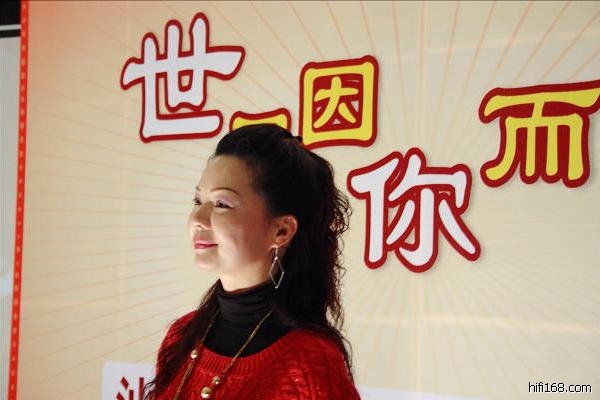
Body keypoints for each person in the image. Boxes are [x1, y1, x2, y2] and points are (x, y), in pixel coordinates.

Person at [145, 124, 361, 399]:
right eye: (198, 200)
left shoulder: (309, 363)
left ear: (281, 230)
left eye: (222, 204)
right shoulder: (181, 337)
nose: (197, 219)